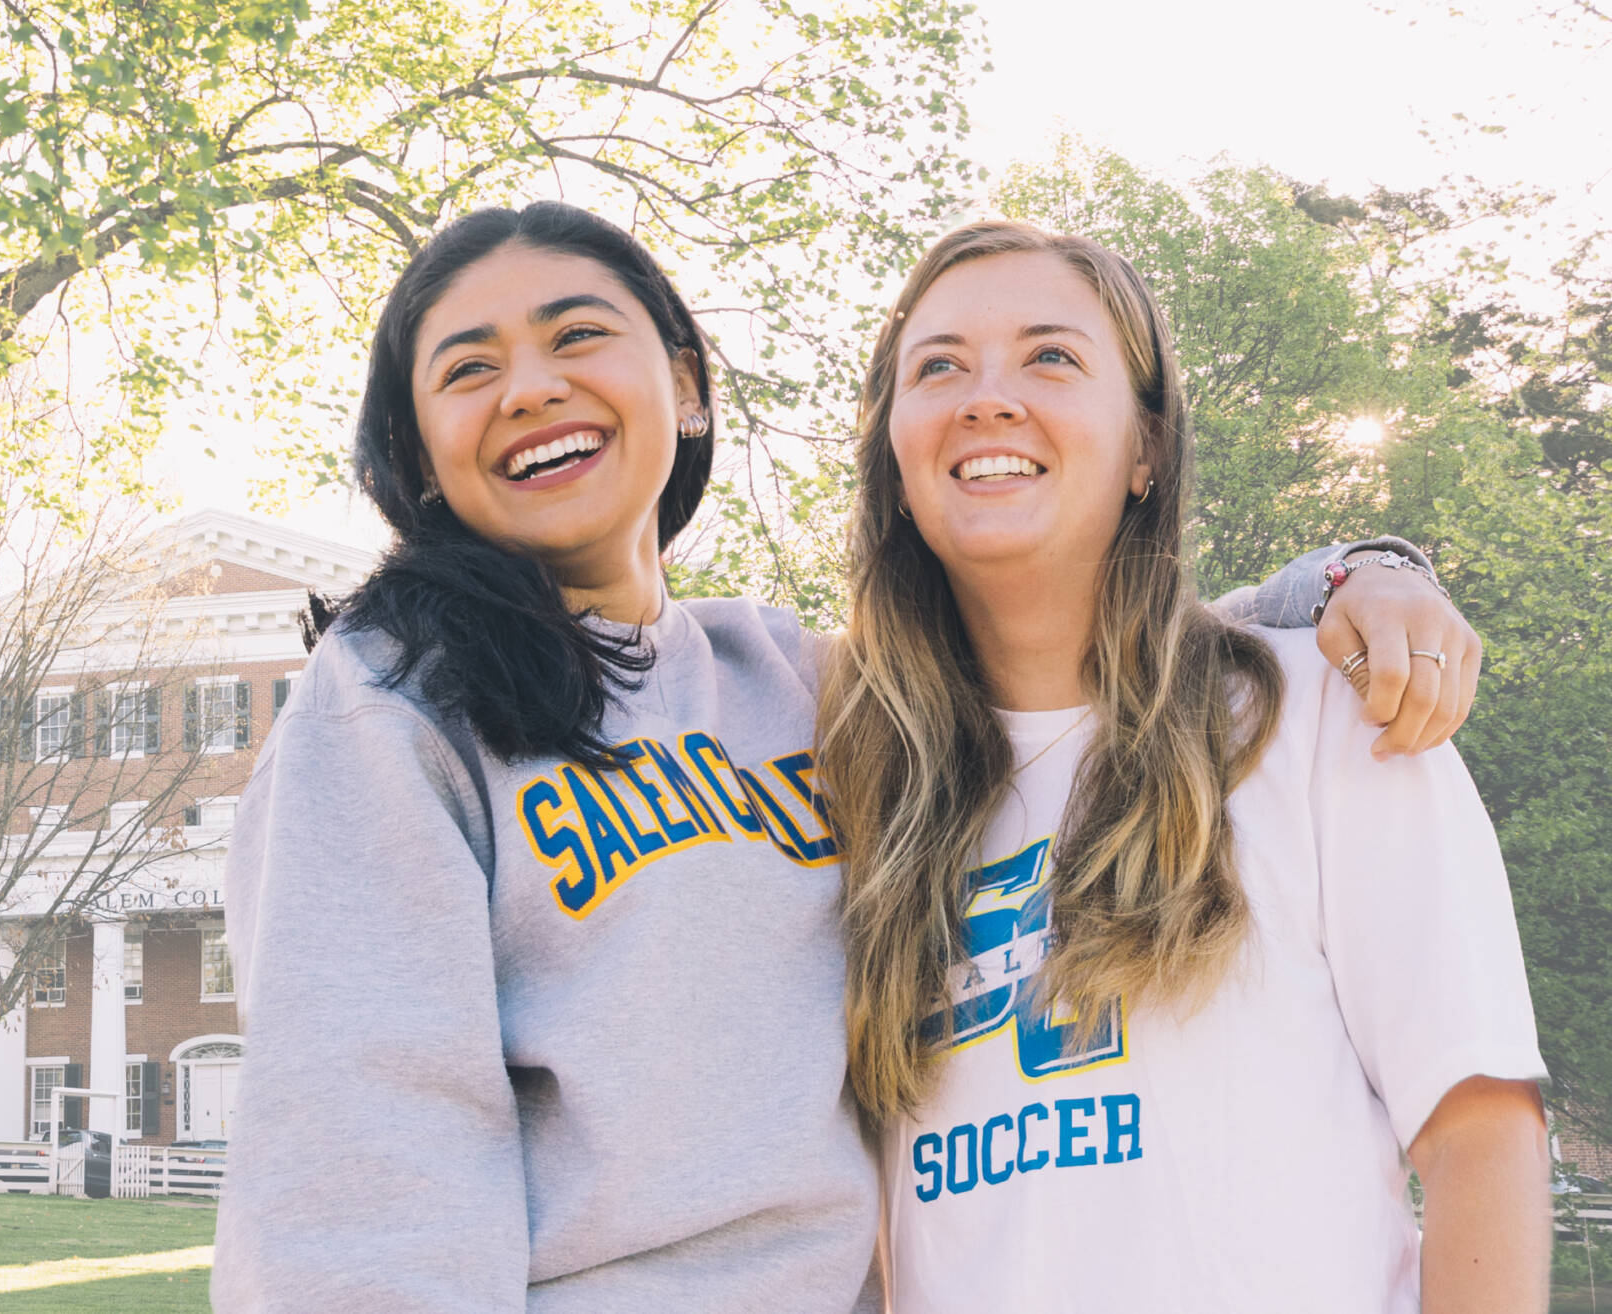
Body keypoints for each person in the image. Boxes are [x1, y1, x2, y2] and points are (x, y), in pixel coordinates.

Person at [212, 202, 1475, 1312]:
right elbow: (360, 1167)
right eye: (467, 368)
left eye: (576, 334)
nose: (529, 386)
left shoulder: (790, 684)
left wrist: (1359, 579)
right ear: (420, 458)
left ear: (688, 385)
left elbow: (1086, 654)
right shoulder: (389, 712)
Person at [816, 221, 1547, 1312]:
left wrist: (1363, 570)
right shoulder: (844, 783)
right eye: (938, 368)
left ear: (1146, 449)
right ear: (896, 455)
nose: (987, 397)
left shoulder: (1321, 716)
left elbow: (1479, 1126)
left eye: (1050, 357)